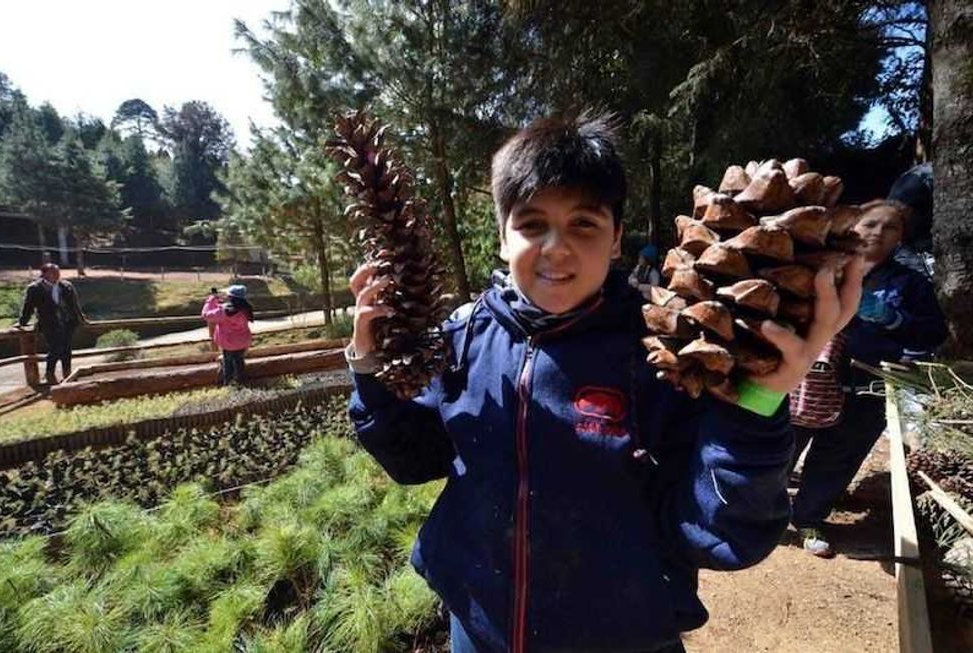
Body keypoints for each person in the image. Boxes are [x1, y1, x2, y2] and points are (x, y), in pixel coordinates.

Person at [345, 114, 864, 652]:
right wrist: (369, 365)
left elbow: (724, 533)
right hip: (478, 630)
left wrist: (760, 397)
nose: (556, 247)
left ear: (617, 238)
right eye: (530, 225)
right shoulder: (462, 337)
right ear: (502, 239)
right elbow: (412, 461)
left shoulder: (670, 353)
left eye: (584, 225)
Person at [790, 199, 947, 558]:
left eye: (889, 227)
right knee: (782, 447)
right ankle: (763, 515)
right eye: (870, 223)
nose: (877, 232)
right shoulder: (823, 267)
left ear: (900, 238)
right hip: (806, 382)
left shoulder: (911, 285)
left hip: (866, 386)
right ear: (852, 227)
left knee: (839, 456)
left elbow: (932, 332)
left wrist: (893, 320)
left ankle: (809, 518)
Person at [14, 263, 88, 384]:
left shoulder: (66, 286)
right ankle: (49, 374)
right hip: (49, 324)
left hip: (67, 322)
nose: (57, 274)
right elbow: (28, 307)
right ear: (45, 274)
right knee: (55, 349)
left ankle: (67, 373)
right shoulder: (35, 288)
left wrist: (81, 318)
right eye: (53, 272)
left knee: (67, 349)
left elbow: (75, 305)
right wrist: (22, 322)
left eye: (58, 271)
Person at [201, 284, 254, 385]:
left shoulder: (224, 311)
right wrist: (218, 303)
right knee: (239, 363)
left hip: (229, 344)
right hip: (243, 342)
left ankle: (228, 385)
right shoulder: (246, 309)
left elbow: (206, 315)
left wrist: (211, 300)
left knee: (228, 365)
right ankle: (242, 384)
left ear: (231, 297)